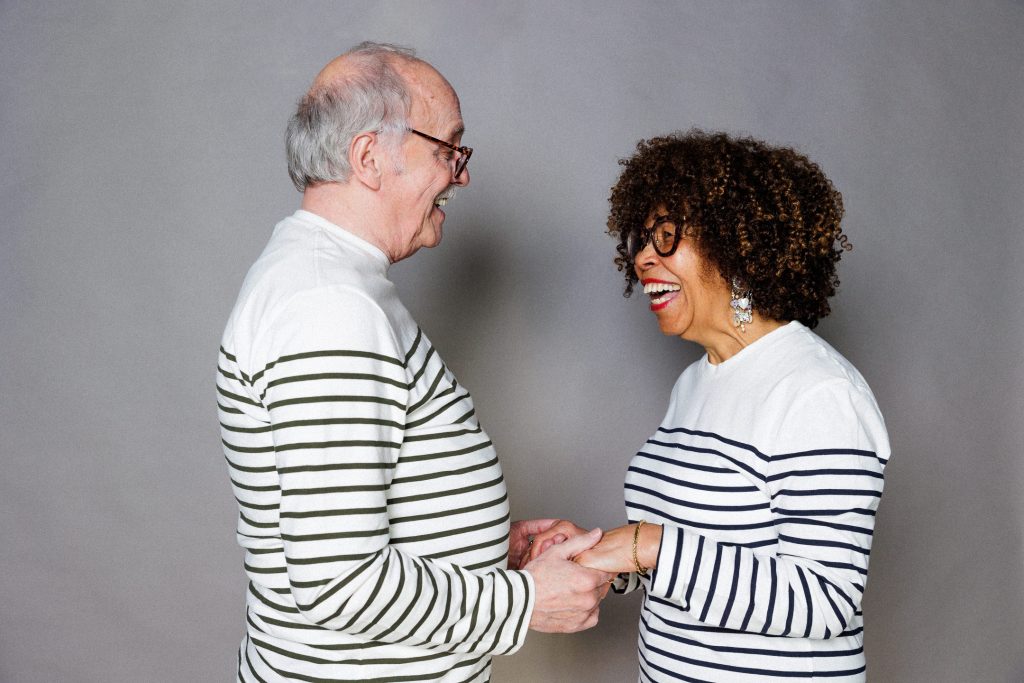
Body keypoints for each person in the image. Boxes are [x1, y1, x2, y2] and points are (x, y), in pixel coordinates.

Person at [215, 42, 610, 683]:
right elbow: (339, 583)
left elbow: (346, 521)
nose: (461, 173)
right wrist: (528, 599)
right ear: (370, 158)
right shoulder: (329, 307)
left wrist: (483, 548)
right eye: (447, 149)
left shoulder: (328, 283)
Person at [528, 131, 890, 681]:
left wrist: (646, 545)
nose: (644, 258)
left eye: (668, 237)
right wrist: (602, 555)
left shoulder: (819, 393)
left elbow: (825, 602)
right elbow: (702, 555)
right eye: (641, 240)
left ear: (737, 245)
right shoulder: (697, 382)